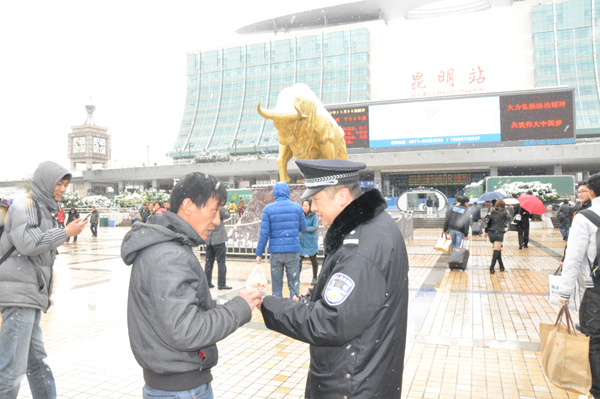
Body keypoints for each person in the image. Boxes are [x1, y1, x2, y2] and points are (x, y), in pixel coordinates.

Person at [261, 159, 409, 398]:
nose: (312, 207)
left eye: (316, 200)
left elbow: (331, 322)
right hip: (368, 374)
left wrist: (268, 305)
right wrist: (318, 296)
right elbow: (358, 303)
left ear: (342, 196)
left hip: (350, 383)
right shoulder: (375, 226)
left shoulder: (359, 249)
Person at [121, 172, 262, 399]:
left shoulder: (167, 245)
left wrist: (231, 303)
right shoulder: (169, 254)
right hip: (181, 390)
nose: (217, 221)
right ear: (188, 206)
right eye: (214, 210)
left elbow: (181, 309)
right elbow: (186, 330)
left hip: (174, 384)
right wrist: (239, 308)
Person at [0, 161, 87, 399]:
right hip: (19, 297)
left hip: (30, 296)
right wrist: (65, 232)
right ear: (45, 182)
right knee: (11, 371)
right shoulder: (26, 205)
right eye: (58, 183)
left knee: (37, 364)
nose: (62, 188)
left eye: (65, 184)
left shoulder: (41, 208)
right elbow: (28, 243)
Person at [559, 172, 600, 399]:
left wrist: (564, 293)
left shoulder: (585, 217)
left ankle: (597, 392)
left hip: (596, 290)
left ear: (591, 191)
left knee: (594, 340)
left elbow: (573, 258)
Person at [255, 182, 307, 298]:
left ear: (275, 193)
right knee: (294, 284)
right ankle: (295, 310)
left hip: (276, 253)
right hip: (293, 251)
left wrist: (259, 253)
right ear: (288, 192)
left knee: (277, 286)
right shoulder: (297, 208)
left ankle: (277, 312)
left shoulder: (268, 209)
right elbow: (303, 228)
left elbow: (264, 234)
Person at [205, 207, 231, 290]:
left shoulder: (205, 207)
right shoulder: (219, 207)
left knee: (209, 262)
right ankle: (221, 283)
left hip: (209, 239)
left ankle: (207, 282)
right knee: (221, 262)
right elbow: (227, 215)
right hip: (219, 240)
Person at [484, 199, 509, 274]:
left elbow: (487, 222)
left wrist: (486, 231)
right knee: (496, 250)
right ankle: (492, 267)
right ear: (504, 205)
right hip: (499, 233)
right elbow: (506, 222)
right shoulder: (505, 213)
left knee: (497, 249)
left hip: (491, 233)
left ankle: (501, 265)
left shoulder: (491, 212)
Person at [299, 199, 320, 285]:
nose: (304, 207)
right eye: (303, 205)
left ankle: (315, 277)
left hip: (311, 241)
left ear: (310, 207)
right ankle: (297, 278)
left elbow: (315, 227)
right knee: (299, 260)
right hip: (301, 241)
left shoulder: (314, 215)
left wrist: (304, 228)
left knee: (313, 260)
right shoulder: (300, 215)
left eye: (306, 206)